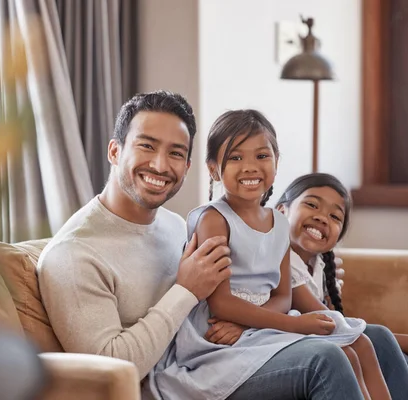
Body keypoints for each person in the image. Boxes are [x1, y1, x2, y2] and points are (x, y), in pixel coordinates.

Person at [38, 92, 366, 400]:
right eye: (147, 146)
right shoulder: (74, 256)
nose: (160, 165)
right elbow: (113, 370)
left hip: (222, 353)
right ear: (114, 151)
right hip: (175, 381)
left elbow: (246, 279)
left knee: (369, 339)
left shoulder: (173, 224)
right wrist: (186, 290)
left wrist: (309, 266)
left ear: (189, 166)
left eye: (176, 153)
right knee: (325, 360)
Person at [149, 109, 391, 400]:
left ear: (277, 162)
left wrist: (251, 323)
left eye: (262, 156)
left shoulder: (278, 224)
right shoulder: (214, 220)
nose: (250, 167)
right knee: (338, 354)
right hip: (216, 341)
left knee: (358, 347)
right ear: (213, 169)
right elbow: (221, 303)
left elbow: (282, 296)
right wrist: (294, 324)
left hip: (255, 326)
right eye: (236, 158)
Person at [275, 172, 408, 400]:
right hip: (293, 347)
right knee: (380, 337)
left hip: (317, 342)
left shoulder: (318, 266)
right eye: (312, 204)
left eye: (335, 217)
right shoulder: (283, 259)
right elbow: (331, 324)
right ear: (282, 211)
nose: (322, 218)